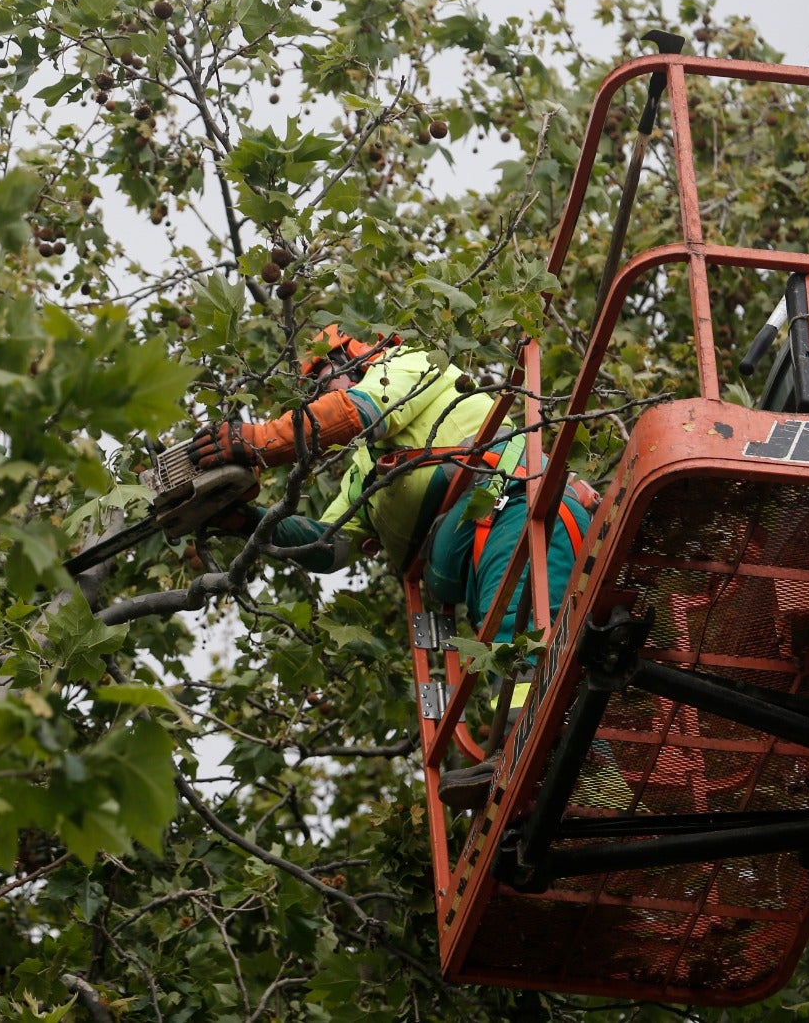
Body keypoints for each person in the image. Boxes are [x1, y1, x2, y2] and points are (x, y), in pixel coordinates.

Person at [190, 325, 592, 809]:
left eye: (323, 379)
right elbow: (327, 546)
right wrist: (243, 520)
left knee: (512, 631)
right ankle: (567, 769)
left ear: (355, 357)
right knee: (499, 639)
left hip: (517, 504)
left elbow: (355, 412)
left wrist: (258, 440)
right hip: (476, 545)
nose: (318, 395)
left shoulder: (411, 364)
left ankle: (540, 753)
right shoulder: (365, 467)